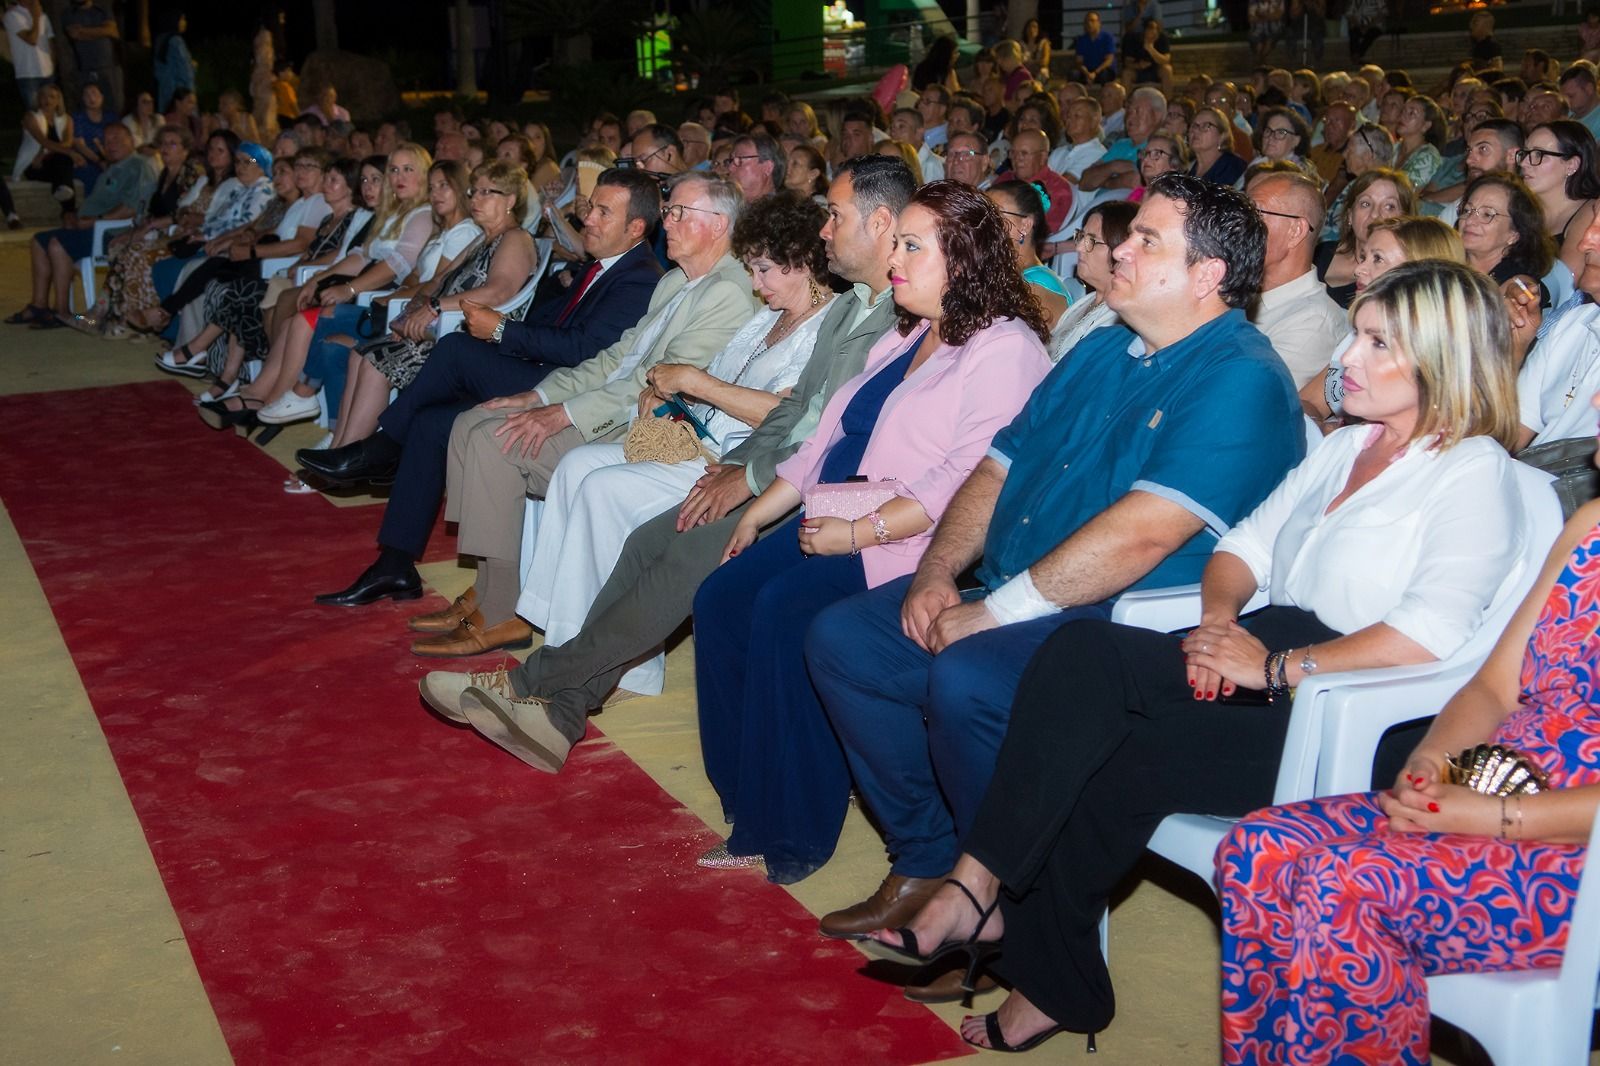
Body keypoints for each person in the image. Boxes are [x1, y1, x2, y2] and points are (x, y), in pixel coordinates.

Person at [892, 258, 1527, 1051]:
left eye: (1375, 343)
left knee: (1111, 755)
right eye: (1354, 336)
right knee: (1080, 654)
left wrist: (1271, 670)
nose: (1344, 359)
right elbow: (1243, 549)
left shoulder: (1473, 471)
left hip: (1356, 705)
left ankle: (1017, 942)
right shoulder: (1348, 447)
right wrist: (1218, 625)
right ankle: (982, 894)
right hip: (1269, 646)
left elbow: (1427, 635)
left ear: (1442, 360)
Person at [804, 174, 1304, 958]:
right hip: (1018, 587)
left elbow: (1143, 536)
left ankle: (1011, 915)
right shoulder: (1103, 345)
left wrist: (994, 612)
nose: (1121, 251)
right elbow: (995, 468)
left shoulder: (1242, 377)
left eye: (1147, 241)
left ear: (1208, 274)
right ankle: (931, 856)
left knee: (968, 676)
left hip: (1120, 623)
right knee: (847, 641)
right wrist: (937, 572)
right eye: (1128, 236)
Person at [416, 156, 915, 769]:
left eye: (834, 216)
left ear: (880, 222)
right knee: (644, 543)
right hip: (765, 466)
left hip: (823, 495)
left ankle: (530, 683)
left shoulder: (895, 317)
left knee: (670, 542)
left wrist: (747, 480)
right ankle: (561, 712)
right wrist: (738, 469)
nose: (824, 229)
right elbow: (796, 415)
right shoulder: (851, 307)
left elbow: (832, 435)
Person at [678, 181, 1055, 881]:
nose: (894, 261)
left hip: (913, 541)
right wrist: (760, 509)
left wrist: (861, 533)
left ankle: (793, 826)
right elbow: (828, 435)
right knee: (721, 598)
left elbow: (968, 479)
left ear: (963, 258)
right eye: (897, 244)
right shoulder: (908, 330)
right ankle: (748, 796)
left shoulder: (1005, 347)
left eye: (912, 247)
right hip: (845, 511)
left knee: (783, 609)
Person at [1220, 394, 1597, 1066]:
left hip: (1576, 849)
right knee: (1256, 849)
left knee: (1342, 882)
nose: (1595, 399)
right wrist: (1431, 767)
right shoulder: (1590, 529)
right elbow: (1494, 687)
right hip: (1492, 787)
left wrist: (1500, 818)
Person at [332, 172, 755, 656]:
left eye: (680, 213)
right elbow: (614, 360)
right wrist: (537, 397)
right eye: (669, 210)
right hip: (615, 403)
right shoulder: (677, 281)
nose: (668, 222)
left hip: (646, 426)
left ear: (719, 225)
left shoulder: (727, 291)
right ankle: (488, 590)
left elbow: (654, 385)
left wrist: (564, 414)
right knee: (469, 423)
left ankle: (501, 611)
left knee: (497, 441)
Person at [513, 193, 835, 702]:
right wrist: (671, 395)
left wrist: (693, 382)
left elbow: (783, 415)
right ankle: (558, 635)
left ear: (802, 262)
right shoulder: (767, 317)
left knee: (603, 489)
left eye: (764, 270)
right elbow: (719, 380)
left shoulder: (823, 328)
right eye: (752, 270)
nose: (756, 284)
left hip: (728, 460)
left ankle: (613, 669)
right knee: (577, 465)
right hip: (695, 439)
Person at [299, 168, 664, 598]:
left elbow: (584, 351)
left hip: (567, 388)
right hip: (542, 368)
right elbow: (551, 323)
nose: (588, 218)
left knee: (455, 349)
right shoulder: (603, 266)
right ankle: (394, 564)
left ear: (635, 227)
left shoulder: (640, 277)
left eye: (603, 212)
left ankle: (382, 447)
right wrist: (507, 333)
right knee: (432, 422)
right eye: (592, 208)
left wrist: (501, 331)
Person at [1300, 214, 1467, 423]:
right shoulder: (1361, 334)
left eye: (1378, 259)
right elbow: (1308, 402)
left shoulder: (1432, 352)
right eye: (1364, 257)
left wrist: (1340, 432)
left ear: (1418, 270)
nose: (1358, 270)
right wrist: (1322, 428)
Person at [9, 122, 155, 328]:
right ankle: (39, 306)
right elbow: (97, 203)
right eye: (107, 141)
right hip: (91, 228)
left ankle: (63, 312)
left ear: (131, 140)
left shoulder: (138, 166)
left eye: (116, 138)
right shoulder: (112, 168)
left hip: (112, 233)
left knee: (57, 244)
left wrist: (96, 220)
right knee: (38, 241)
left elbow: (133, 207)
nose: (110, 144)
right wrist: (75, 215)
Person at [1248, 172, 1347, 387]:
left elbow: (1247, 392)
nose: (1240, 224)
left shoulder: (1312, 322)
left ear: (1295, 231)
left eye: (1255, 213)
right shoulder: (1238, 286)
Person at [1515, 211, 1600, 449]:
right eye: (1592, 222)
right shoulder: (1573, 322)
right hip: (1534, 468)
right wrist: (1516, 348)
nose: (1584, 244)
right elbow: (1512, 434)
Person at [1050, 200, 1139, 356]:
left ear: (1120, 250)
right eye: (1081, 236)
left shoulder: (1120, 322)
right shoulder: (1086, 301)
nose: (1079, 248)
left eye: (1092, 241)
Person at [1316, 166, 1414, 306]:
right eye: (1366, 204)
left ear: (1405, 219)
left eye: (1389, 206)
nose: (1375, 214)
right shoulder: (1320, 252)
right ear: (1350, 215)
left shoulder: (1397, 279)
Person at [1518, 120, 1600, 282]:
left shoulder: (1591, 213)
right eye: (1525, 153)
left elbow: (1565, 284)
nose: (1524, 163)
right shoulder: (1521, 208)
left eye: (1538, 154)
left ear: (1571, 165)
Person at [987, 180, 1071, 322]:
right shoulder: (1006, 271)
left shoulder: (1034, 287)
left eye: (996, 214)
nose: (984, 223)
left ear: (1025, 225)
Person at [1458, 170, 1555, 287]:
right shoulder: (1446, 260)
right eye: (1467, 210)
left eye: (1487, 214)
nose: (1469, 220)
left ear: (1514, 234)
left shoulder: (1516, 286)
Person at [1079, 86, 1163, 191]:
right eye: (1129, 111)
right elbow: (1085, 182)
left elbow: (1136, 182)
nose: (1130, 117)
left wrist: (1105, 180)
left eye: (1137, 111)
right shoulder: (1120, 144)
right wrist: (1114, 166)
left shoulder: (1160, 148)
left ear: (1156, 116)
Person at [63, 0, 122, 115]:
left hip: (109, 67)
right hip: (85, 69)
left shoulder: (103, 9)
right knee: (88, 106)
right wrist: (103, 31)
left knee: (115, 105)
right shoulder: (69, 13)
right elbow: (75, 35)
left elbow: (113, 31)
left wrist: (84, 31)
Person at [4, 0, 54, 106]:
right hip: (28, 74)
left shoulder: (44, 16)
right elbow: (32, 39)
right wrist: (35, 17)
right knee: (35, 111)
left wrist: (52, 65)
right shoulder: (13, 15)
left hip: (48, 72)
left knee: (51, 110)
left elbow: (50, 43)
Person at [1395, 94, 1448, 192]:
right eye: (1403, 111)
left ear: (1425, 126)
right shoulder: (1395, 147)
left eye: (1411, 113)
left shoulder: (1428, 156)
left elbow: (1410, 192)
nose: (1402, 116)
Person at [1187, 105, 1247, 186]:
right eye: (1194, 125)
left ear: (1222, 136)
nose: (1196, 130)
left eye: (1206, 125)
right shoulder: (1188, 168)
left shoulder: (1233, 166)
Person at [1127, 131, 1189, 203]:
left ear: (1175, 164)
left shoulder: (1176, 201)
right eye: (1145, 153)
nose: (1146, 159)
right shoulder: (1136, 195)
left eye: (1156, 153)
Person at [152, 12, 195, 113]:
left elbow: (158, 69)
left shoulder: (160, 40)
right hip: (180, 93)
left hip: (165, 91)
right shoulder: (176, 41)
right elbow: (185, 70)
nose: (184, 23)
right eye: (182, 20)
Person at [726, 130, 784, 201]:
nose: (730, 168)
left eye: (740, 160)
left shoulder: (784, 208)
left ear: (767, 168)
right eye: (731, 160)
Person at [1071, 12, 1118, 85]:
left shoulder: (1108, 37)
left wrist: (1095, 73)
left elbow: (1109, 60)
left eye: (1092, 20)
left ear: (1099, 23)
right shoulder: (1081, 40)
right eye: (1087, 21)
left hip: (1102, 70)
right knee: (1073, 74)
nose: (1089, 24)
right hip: (1087, 71)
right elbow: (1079, 62)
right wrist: (1087, 74)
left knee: (1104, 75)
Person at [1560, 63, 1600, 141]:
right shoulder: (1567, 113)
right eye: (1563, 97)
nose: (1566, 101)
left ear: (1589, 89)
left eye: (1571, 96)